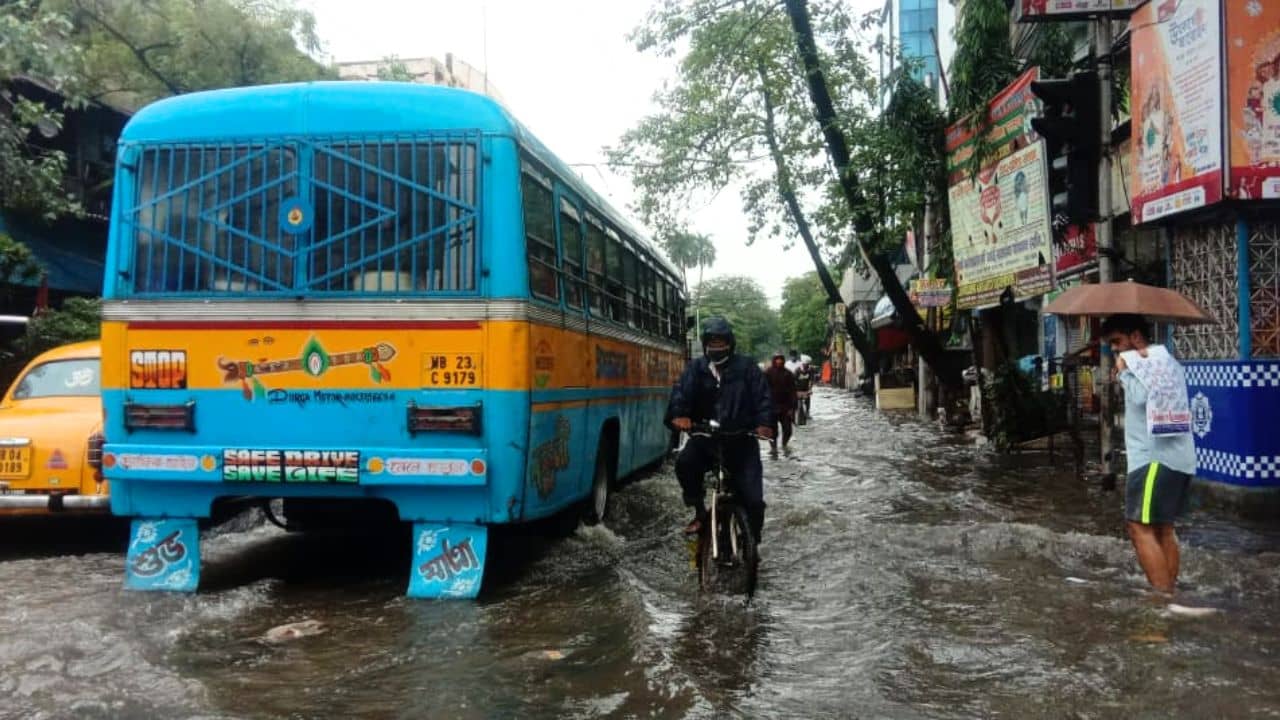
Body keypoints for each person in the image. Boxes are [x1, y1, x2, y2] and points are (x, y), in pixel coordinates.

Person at [1103, 313, 1197, 595]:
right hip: (1178, 456)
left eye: (1117, 341)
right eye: (1111, 345)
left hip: (1153, 458)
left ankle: (1161, 598)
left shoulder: (1141, 363)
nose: (1115, 349)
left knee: (1138, 526)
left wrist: (1124, 371)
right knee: (1162, 528)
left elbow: (1142, 398)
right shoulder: (1167, 359)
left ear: (1135, 337)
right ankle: (1170, 592)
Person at [666, 317, 773, 540]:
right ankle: (698, 511)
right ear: (705, 344)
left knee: (754, 501)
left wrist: (765, 424)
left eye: (721, 342)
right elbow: (680, 394)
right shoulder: (696, 368)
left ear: (730, 343)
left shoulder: (747, 367)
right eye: (712, 342)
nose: (716, 347)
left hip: (742, 442)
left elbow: (763, 398)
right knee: (685, 464)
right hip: (706, 439)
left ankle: (752, 542)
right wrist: (680, 416)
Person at [764, 352, 797, 456]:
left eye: (781, 359)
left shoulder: (788, 373)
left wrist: (792, 407)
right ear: (774, 360)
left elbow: (793, 391)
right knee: (772, 430)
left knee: (788, 429)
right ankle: (773, 448)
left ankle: (784, 445)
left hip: (785, 406)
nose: (779, 361)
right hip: (771, 406)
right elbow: (762, 390)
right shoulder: (767, 373)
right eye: (777, 359)